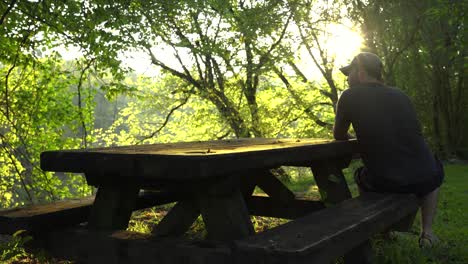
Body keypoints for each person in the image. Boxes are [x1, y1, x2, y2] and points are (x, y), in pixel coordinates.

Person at [334, 52, 444, 247]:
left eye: (348, 74)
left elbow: (339, 135)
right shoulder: (400, 95)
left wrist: (357, 141)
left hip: (386, 182)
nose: (347, 79)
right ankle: (427, 233)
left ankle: (378, 230)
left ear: (360, 73)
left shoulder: (349, 96)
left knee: (360, 174)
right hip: (424, 179)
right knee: (433, 169)